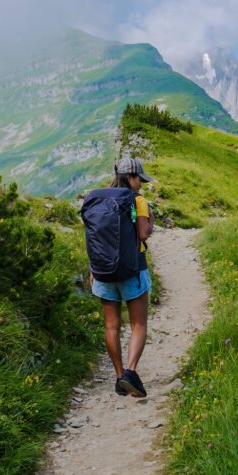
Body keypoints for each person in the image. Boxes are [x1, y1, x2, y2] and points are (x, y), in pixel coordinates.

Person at [90, 158, 155, 398]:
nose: (141, 184)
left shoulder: (99, 199)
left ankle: (119, 377)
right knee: (138, 324)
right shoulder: (138, 200)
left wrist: (92, 270)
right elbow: (142, 234)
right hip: (133, 270)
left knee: (111, 326)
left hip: (103, 272)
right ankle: (131, 372)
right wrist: (150, 223)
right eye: (139, 179)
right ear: (130, 177)